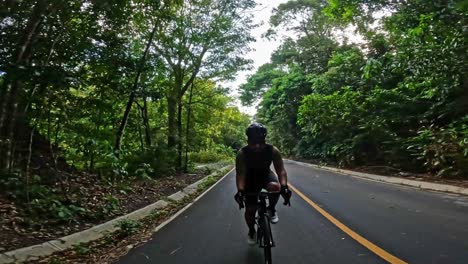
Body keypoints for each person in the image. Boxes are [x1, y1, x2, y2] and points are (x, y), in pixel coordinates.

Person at [234, 122, 292, 245]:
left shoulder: (272, 150)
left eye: (261, 142)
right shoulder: (242, 153)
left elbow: (280, 170)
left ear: (265, 140)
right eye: (254, 143)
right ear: (248, 140)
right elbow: (240, 175)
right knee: (250, 209)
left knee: (276, 186)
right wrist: (240, 191)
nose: (258, 146)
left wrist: (285, 187)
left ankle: (271, 209)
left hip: (265, 175)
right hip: (249, 179)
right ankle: (251, 230)